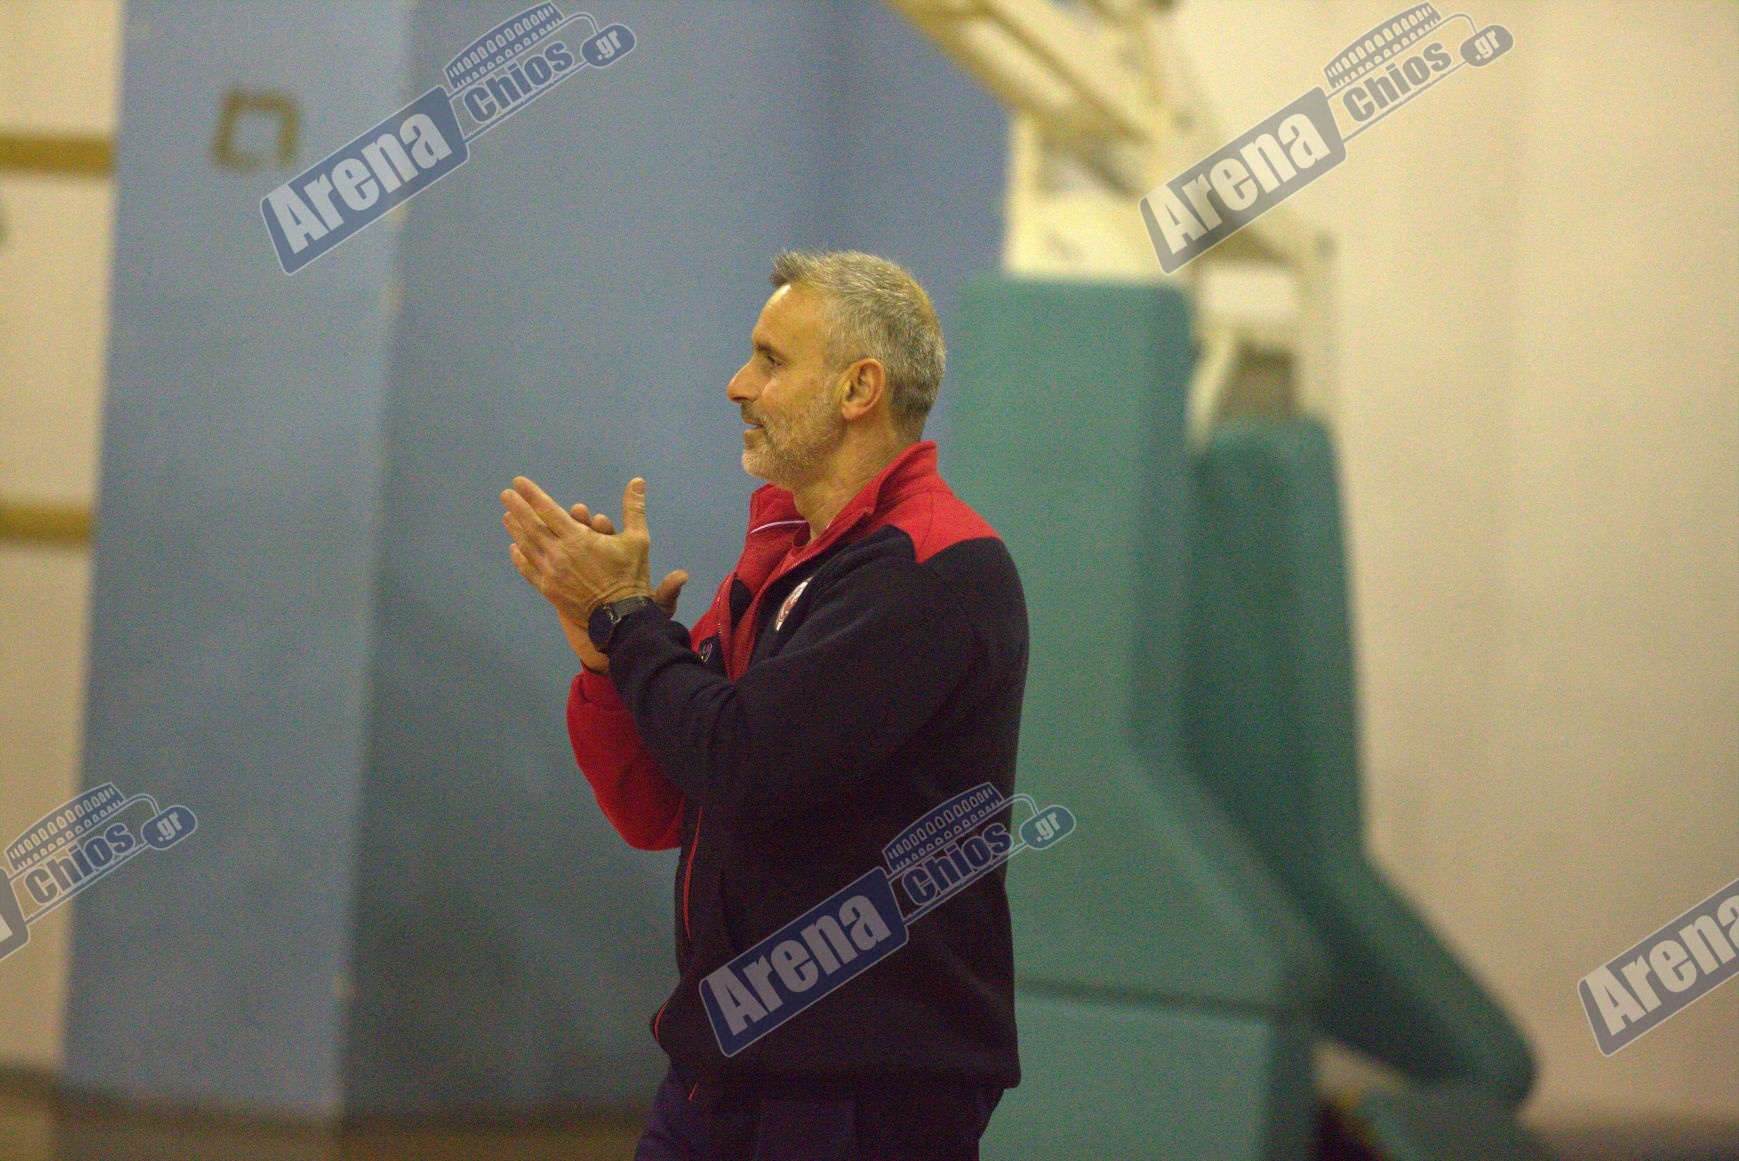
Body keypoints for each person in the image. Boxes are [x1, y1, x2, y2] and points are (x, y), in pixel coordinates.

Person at [500, 250, 1028, 1160]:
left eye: (770, 360)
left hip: (859, 1084)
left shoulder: (934, 567)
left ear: (859, 388)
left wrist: (628, 621)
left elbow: (742, 759)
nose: (738, 385)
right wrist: (606, 657)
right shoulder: (782, 564)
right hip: (720, 1068)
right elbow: (659, 803)